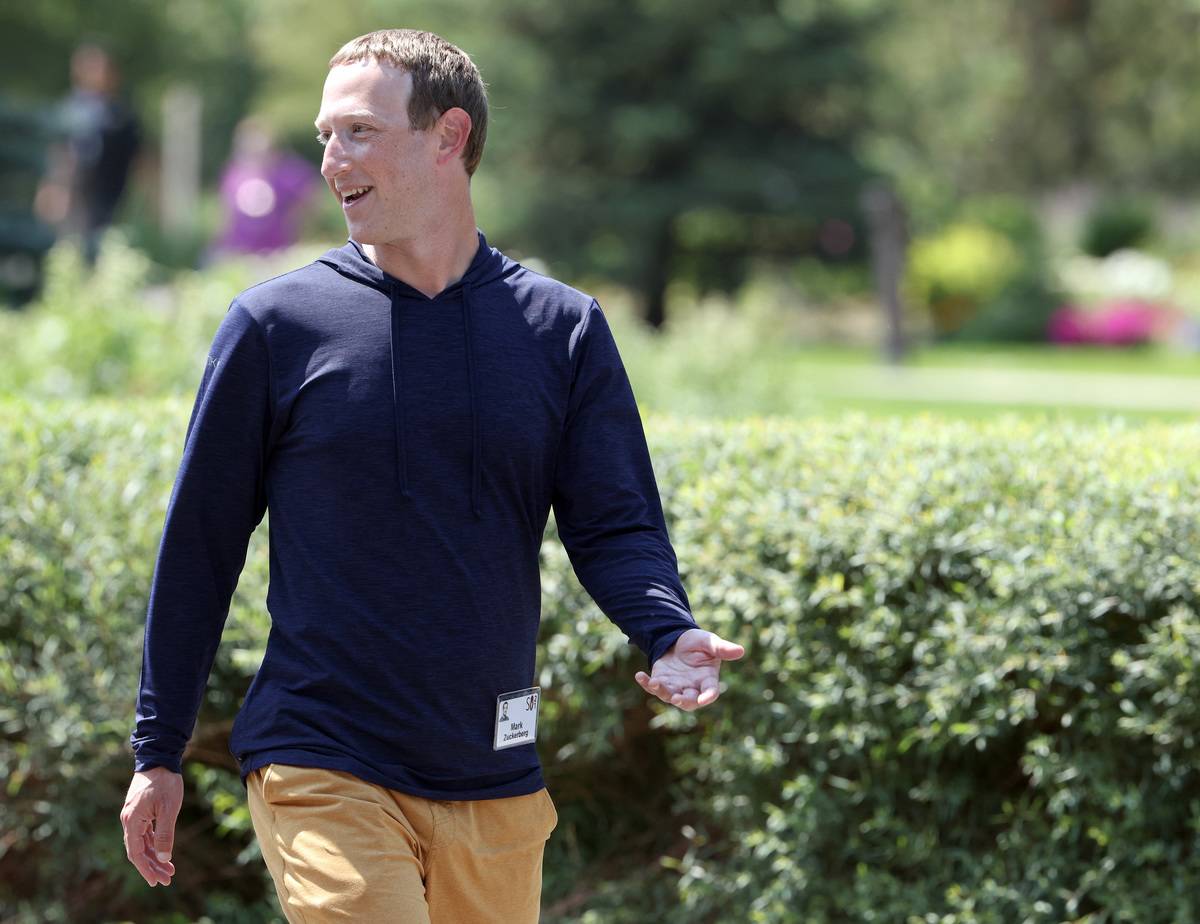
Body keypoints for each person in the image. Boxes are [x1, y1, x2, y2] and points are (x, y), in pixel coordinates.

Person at [120, 29, 744, 923]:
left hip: (494, 772)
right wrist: (158, 752)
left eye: (360, 132)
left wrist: (666, 627)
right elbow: (200, 548)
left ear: (449, 137)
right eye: (326, 134)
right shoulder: (275, 327)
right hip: (320, 754)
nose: (332, 158)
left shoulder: (562, 331)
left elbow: (615, 523)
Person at [35, 43, 140, 266]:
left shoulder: (121, 115)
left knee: (103, 246)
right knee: (67, 247)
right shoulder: (69, 109)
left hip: (108, 192)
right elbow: (58, 152)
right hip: (72, 189)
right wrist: (52, 187)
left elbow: (137, 154)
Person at [210, 116, 319, 258]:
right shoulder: (233, 174)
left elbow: (310, 205)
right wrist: (218, 244)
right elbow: (224, 214)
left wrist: (299, 235)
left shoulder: (288, 173)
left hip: (278, 254)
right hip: (239, 253)